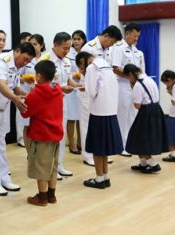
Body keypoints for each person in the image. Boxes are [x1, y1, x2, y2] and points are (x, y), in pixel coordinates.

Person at [0, 42, 35, 196]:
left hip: (2, 109)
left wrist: (31, 95)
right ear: (17, 51)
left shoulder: (16, 66)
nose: (25, 63)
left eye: (28, 61)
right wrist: (15, 99)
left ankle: (3, 177)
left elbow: (15, 87)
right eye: (24, 59)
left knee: (0, 145)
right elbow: (0, 84)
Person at [76, 52, 123, 189]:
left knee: (98, 147)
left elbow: (91, 92)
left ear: (82, 61)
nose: (81, 69)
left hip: (98, 111)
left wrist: (85, 85)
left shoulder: (92, 68)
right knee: (104, 148)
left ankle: (98, 178)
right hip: (111, 109)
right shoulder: (105, 65)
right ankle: (105, 176)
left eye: (80, 66)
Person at [21, 60, 63, 206]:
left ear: (38, 76)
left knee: (41, 167)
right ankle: (52, 195)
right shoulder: (57, 89)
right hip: (56, 133)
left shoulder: (36, 94)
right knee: (53, 166)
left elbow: (26, 113)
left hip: (41, 134)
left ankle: (42, 197)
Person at [40, 32, 81, 180]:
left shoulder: (66, 60)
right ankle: (50, 167)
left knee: (61, 134)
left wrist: (77, 85)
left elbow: (68, 78)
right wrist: (60, 88)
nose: (67, 51)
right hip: (48, 103)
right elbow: (41, 84)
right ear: (55, 45)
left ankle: (59, 164)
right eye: (64, 48)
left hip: (61, 102)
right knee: (50, 136)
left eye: (69, 48)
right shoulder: (45, 60)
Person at [80, 25, 122, 166]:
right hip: (89, 89)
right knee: (87, 122)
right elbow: (83, 71)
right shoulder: (89, 48)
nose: (111, 45)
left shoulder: (107, 49)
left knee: (102, 124)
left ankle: (101, 153)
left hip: (103, 93)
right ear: (106, 36)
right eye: (112, 41)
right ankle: (88, 154)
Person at [123, 64, 168, 174]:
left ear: (130, 74)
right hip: (157, 109)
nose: (129, 80)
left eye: (128, 78)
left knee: (139, 139)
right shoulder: (150, 79)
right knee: (144, 138)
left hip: (146, 113)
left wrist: (132, 86)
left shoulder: (138, 85)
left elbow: (137, 105)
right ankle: (143, 164)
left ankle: (153, 164)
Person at [111, 22, 145, 157]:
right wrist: (131, 77)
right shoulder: (118, 48)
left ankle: (131, 143)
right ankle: (121, 146)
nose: (136, 39)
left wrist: (139, 79)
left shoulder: (139, 52)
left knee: (133, 115)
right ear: (127, 33)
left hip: (136, 86)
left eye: (138, 37)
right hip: (123, 86)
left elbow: (143, 71)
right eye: (134, 36)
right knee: (122, 116)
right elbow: (116, 68)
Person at [18, 34, 46, 154]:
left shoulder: (46, 59)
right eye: (31, 44)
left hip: (43, 97)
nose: (33, 46)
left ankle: (39, 153)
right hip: (28, 95)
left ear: (41, 45)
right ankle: (30, 154)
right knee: (27, 125)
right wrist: (25, 79)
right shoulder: (25, 59)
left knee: (40, 125)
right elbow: (17, 77)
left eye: (35, 44)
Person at [66, 30, 86, 155]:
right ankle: (72, 145)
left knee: (80, 118)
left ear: (83, 40)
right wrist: (75, 75)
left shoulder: (86, 52)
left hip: (82, 87)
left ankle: (80, 143)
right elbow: (67, 71)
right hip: (71, 87)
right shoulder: (68, 53)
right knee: (71, 117)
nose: (76, 41)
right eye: (74, 39)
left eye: (79, 39)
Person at [16, 31, 35, 148]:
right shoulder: (19, 58)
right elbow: (17, 76)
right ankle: (20, 137)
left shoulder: (38, 58)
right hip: (22, 88)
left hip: (31, 91)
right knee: (21, 115)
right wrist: (26, 80)